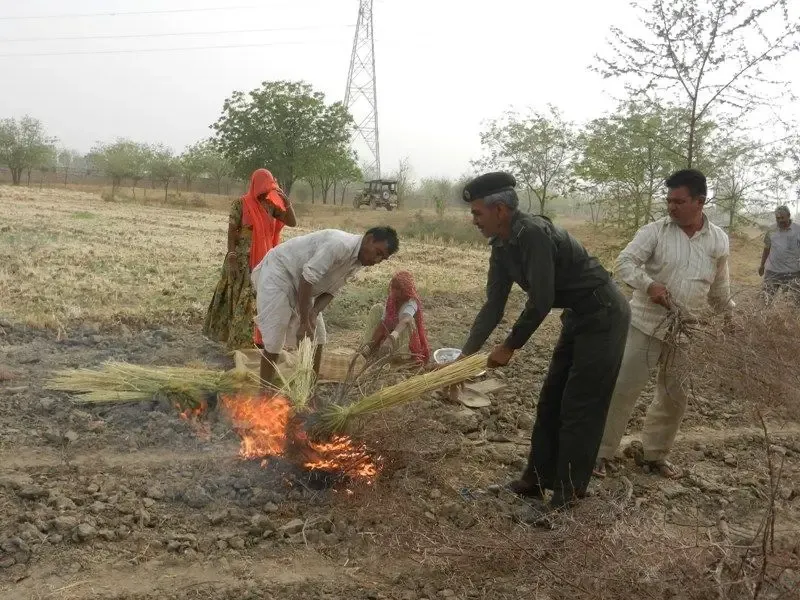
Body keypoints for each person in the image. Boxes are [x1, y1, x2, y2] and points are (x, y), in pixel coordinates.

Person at [458, 171, 630, 514]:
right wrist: (465, 356)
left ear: (501, 211)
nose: (473, 220)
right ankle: (534, 481)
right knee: (551, 399)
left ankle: (568, 497)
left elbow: (541, 300)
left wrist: (510, 345)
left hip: (604, 315)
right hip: (578, 317)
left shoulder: (533, 233)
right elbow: (493, 305)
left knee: (580, 407)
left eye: (478, 213)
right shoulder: (502, 247)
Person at [594, 169, 734, 479]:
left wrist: (730, 318)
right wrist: (649, 285)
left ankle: (655, 455)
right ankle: (600, 453)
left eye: (679, 201)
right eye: (669, 200)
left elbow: (720, 289)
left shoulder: (718, 240)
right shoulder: (654, 232)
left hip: (687, 329)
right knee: (622, 389)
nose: (672, 207)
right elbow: (625, 262)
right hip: (645, 324)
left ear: (700, 201)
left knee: (674, 396)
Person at [251, 226, 399, 385]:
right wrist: (303, 322)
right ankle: (264, 391)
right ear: (369, 239)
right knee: (275, 336)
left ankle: (308, 387)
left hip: (304, 286)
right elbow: (307, 279)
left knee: (318, 337)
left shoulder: (357, 262)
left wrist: (313, 313)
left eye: (382, 259)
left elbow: (331, 291)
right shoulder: (339, 244)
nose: (376, 261)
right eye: (377, 253)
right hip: (280, 273)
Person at [203, 169, 297, 349]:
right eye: (264, 185)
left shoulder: (270, 205)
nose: (266, 189)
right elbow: (232, 230)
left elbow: (292, 222)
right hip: (242, 259)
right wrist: (231, 255)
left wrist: (287, 203)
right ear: (256, 184)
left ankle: (256, 338)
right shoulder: (240, 204)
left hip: (264, 260)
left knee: (260, 298)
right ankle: (240, 340)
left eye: (269, 185)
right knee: (243, 298)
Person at [362, 271, 431, 365]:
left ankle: (401, 358)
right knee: (377, 309)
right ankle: (368, 349)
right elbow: (383, 324)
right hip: (390, 340)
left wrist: (390, 339)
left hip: (404, 343)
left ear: (405, 289)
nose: (395, 291)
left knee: (409, 322)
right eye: (393, 287)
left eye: (398, 288)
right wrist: (370, 345)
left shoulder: (412, 302)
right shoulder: (392, 300)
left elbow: (405, 320)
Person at [758, 205, 800, 302]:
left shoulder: (798, 230)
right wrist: (762, 265)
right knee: (765, 301)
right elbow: (766, 249)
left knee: (792, 304)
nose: (780, 220)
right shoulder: (771, 230)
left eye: (782, 218)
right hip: (773, 271)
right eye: (777, 218)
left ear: (789, 215)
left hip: (793, 273)